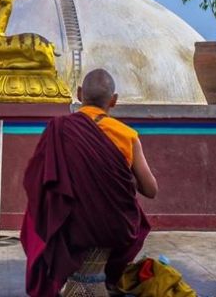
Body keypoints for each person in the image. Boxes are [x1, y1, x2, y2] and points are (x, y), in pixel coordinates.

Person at [21, 69, 157, 297]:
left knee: (41, 209)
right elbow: (151, 190)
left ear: (79, 93)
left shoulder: (59, 129)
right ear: (114, 100)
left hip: (67, 226)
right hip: (114, 227)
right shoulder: (127, 135)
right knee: (135, 218)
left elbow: (37, 182)